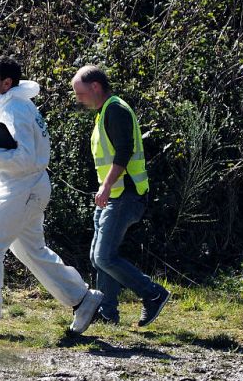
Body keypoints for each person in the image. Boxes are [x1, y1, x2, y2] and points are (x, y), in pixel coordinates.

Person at [0, 56, 103, 336]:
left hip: (22, 189)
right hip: (26, 187)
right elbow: (8, 147)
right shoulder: (13, 102)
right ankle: (82, 298)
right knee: (31, 251)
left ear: (7, 83)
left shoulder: (15, 108)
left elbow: (24, 158)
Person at [70, 65, 170, 326]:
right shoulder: (105, 112)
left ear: (95, 87)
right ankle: (107, 312)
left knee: (104, 257)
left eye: (80, 93)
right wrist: (105, 188)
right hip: (114, 193)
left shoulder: (115, 110)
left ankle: (153, 294)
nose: (79, 99)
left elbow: (123, 152)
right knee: (99, 257)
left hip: (125, 194)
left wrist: (105, 186)